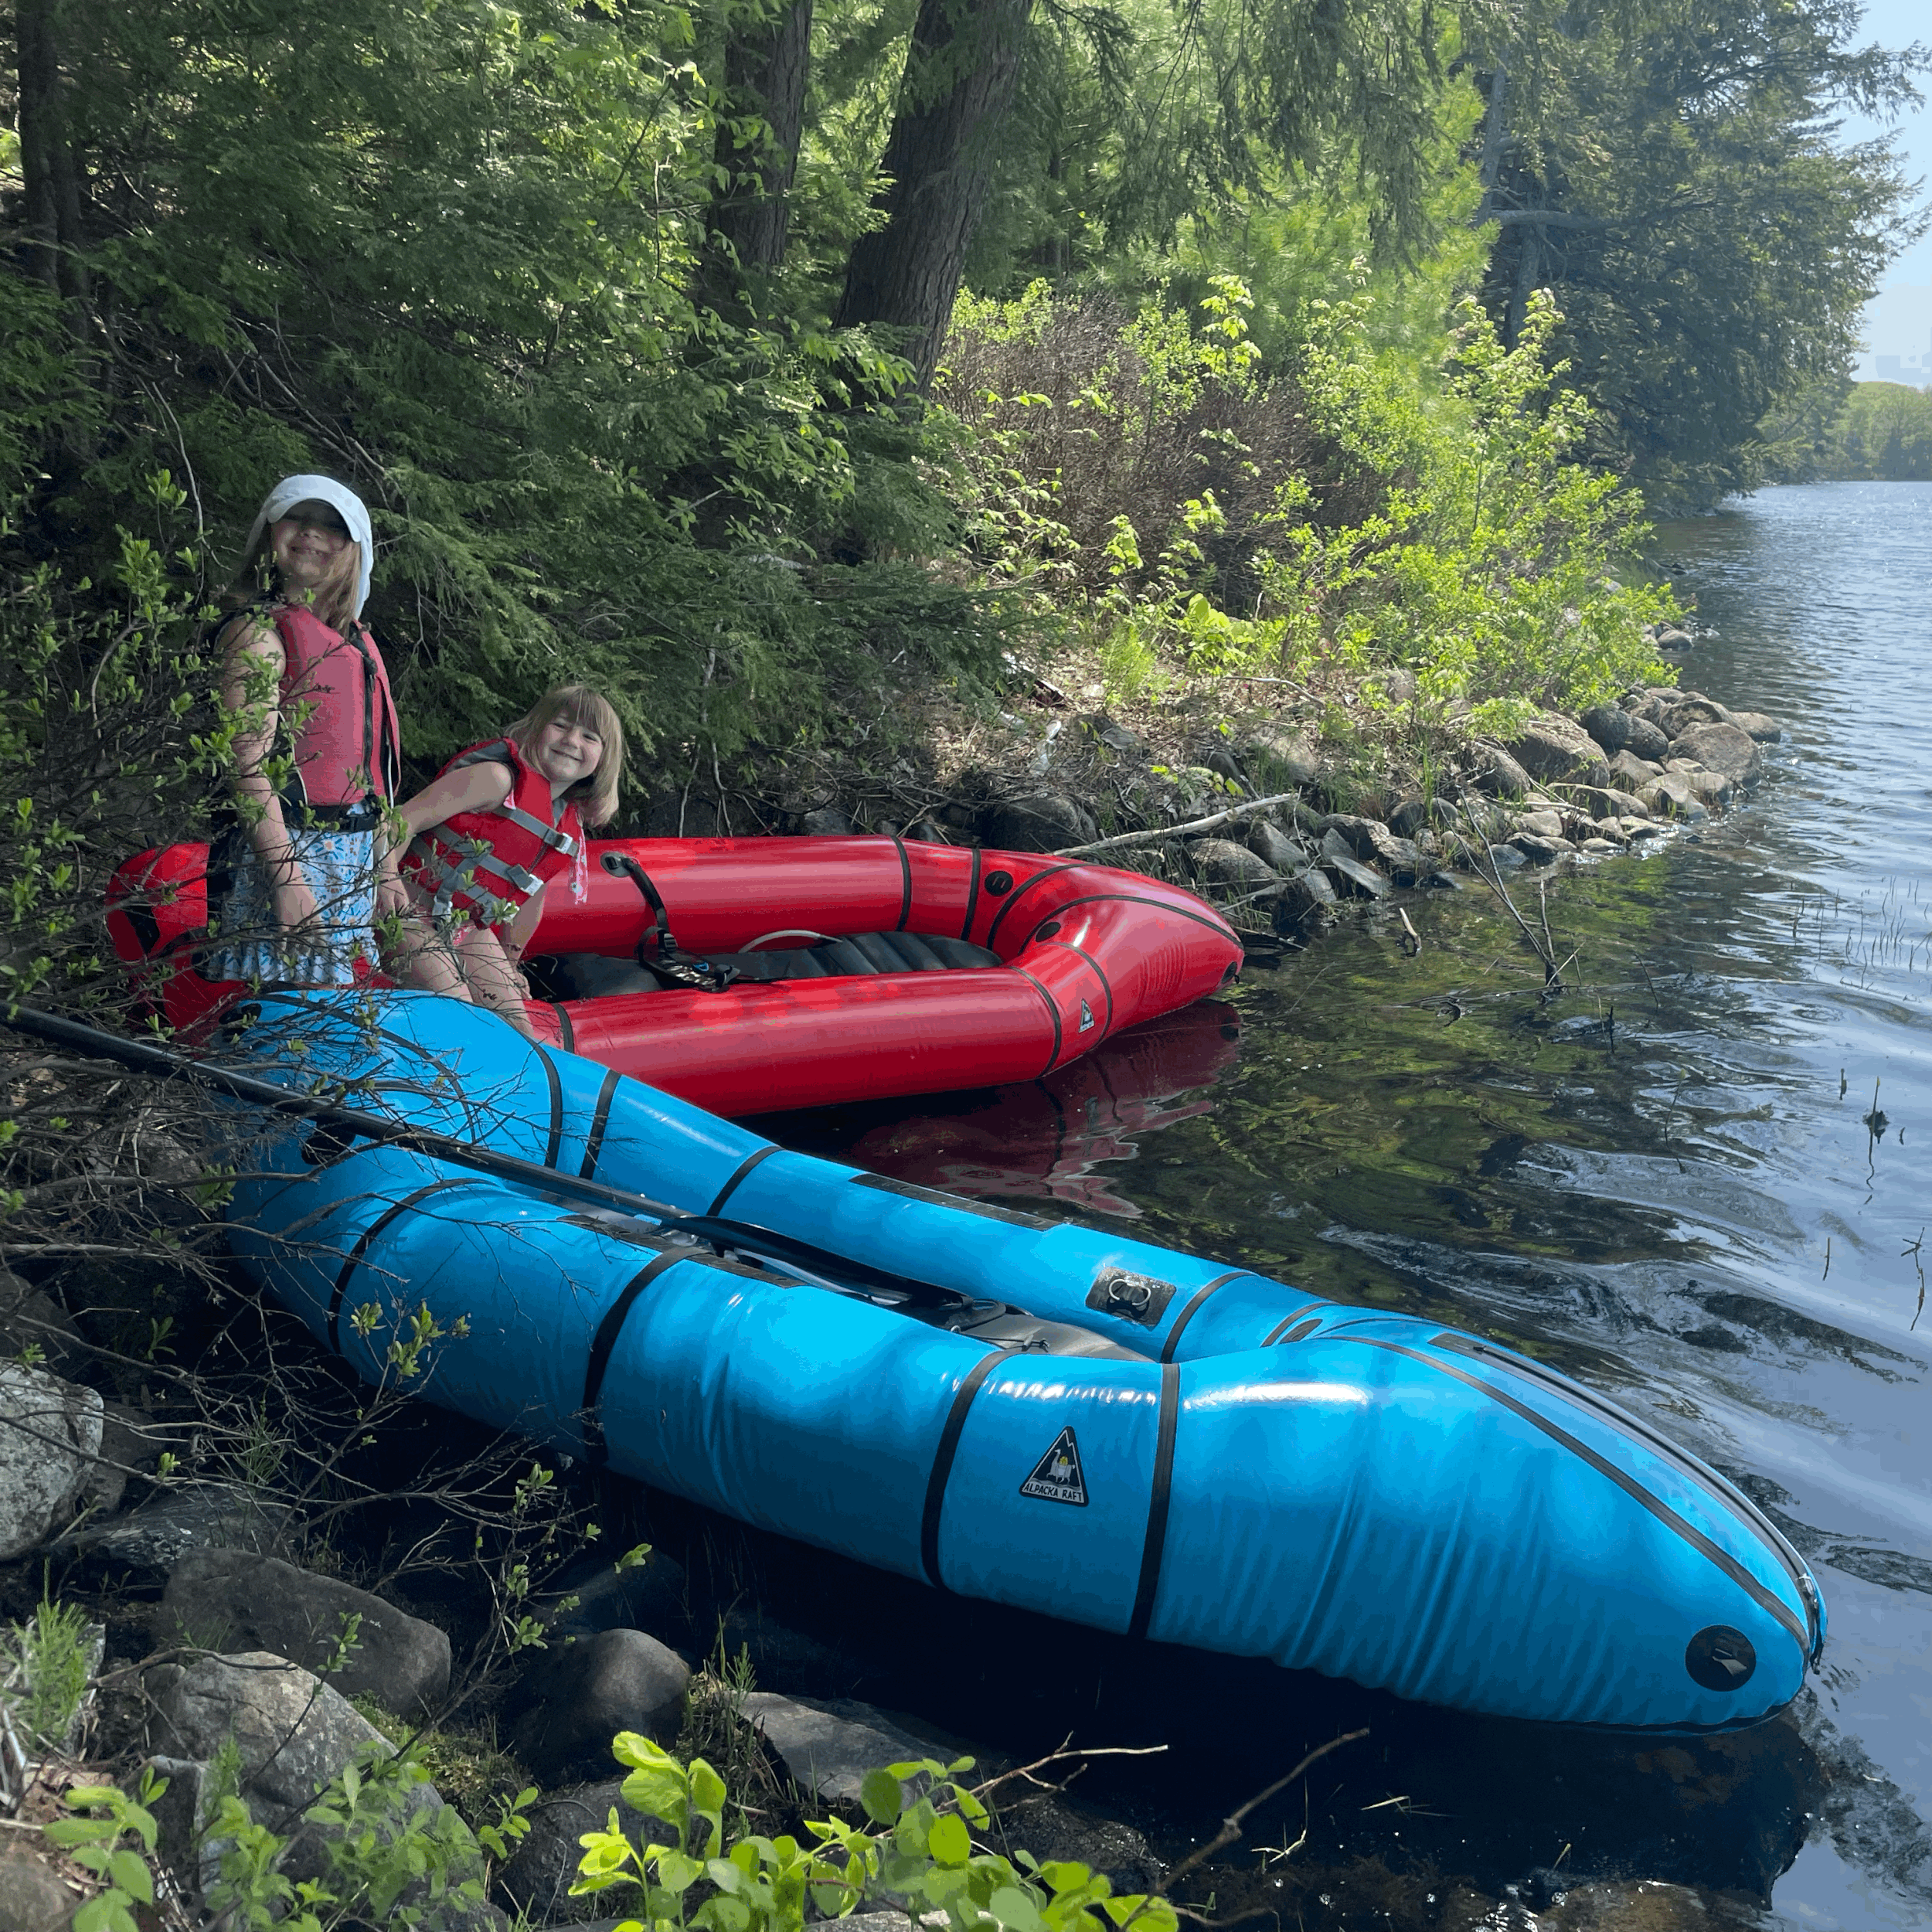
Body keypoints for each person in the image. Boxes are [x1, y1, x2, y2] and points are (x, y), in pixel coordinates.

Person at [209, 475, 400, 987]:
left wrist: (385, 871)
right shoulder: (258, 633)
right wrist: (286, 879)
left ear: (355, 548)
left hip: (350, 853)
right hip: (284, 851)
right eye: (298, 518)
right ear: (269, 531)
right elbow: (246, 764)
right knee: (281, 1007)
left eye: (332, 526)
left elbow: (367, 779)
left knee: (324, 1006)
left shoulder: (354, 643)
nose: (313, 533)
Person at [378, 685, 625, 1038]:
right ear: (535, 729)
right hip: (410, 906)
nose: (571, 740)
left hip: (466, 927)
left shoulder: (568, 824)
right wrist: (385, 879)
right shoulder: (496, 779)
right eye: (560, 725)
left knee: (517, 1031)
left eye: (589, 736)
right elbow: (403, 819)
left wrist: (509, 961)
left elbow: (530, 896)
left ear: (603, 757)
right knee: (459, 1013)